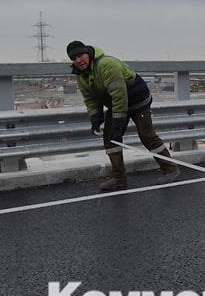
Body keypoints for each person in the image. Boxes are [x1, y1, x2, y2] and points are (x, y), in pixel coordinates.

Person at [67, 40, 180, 190]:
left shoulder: (107, 64)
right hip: (116, 104)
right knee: (110, 138)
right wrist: (96, 120)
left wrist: (117, 125)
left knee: (146, 136)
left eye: (80, 56)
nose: (78, 61)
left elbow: (119, 96)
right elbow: (90, 99)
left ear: (87, 53)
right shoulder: (81, 75)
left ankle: (170, 169)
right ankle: (118, 178)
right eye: (74, 58)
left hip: (137, 100)